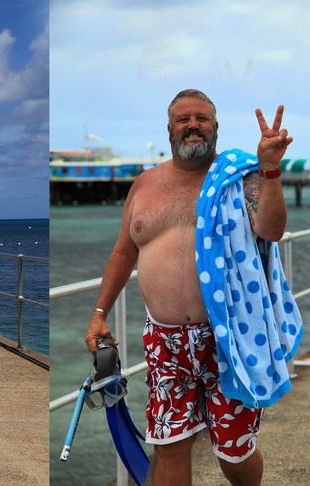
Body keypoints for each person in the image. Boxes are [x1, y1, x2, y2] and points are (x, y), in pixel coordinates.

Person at [85, 89, 296, 486]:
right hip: (164, 343)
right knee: (169, 445)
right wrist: (99, 315)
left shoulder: (241, 178)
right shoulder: (143, 185)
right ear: (169, 129)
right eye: (184, 119)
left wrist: (269, 170)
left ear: (216, 127)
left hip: (230, 339)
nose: (193, 125)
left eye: (202, 118)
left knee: (235, 449)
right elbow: (122, 252)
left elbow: (272, 229)